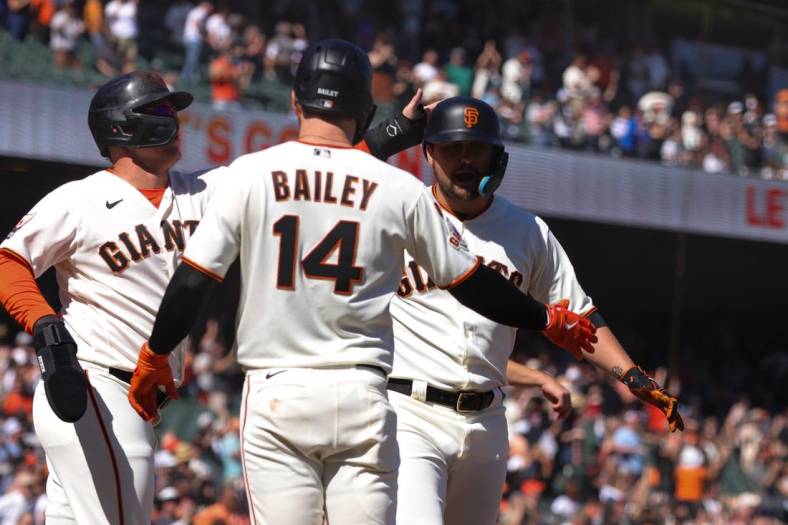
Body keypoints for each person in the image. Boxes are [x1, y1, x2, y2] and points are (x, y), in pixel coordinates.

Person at [127, 39, 597, 525]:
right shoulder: (399, 188)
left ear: (294, 101)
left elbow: (192, 281)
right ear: (366, 108)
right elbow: (471, 281)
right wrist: (543, 317)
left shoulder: (250, 173)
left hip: (278, 391)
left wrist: (156, 353)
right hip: (364, 397)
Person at [386, 96, 684, 525]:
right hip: (410, 413)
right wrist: (394, 131)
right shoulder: (400, 212)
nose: (465, 159)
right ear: (429, 152)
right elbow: (338, 173)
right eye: (452, 148)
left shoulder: (527, 232)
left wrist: (632, 376)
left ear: (497, 157)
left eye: (477, 148)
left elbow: (580, 316)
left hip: (487, 422)